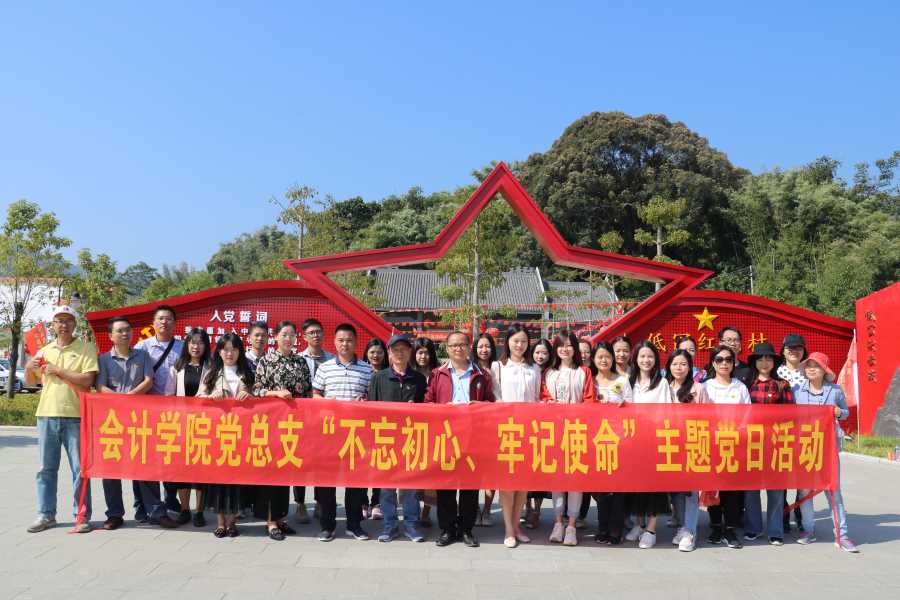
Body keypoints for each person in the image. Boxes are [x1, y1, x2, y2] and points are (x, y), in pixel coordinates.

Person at [25, 306, 98, 534]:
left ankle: (81, 516)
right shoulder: (44, 350)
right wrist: (28, 367)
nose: (64, 325)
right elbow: (31, 383)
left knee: (80, 469)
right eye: (59, 321)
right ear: (53, 325)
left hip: (76, 416)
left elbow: (87, 380)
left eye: (68, 320)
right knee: (45, 469)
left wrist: (58, 370)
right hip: (47, 414)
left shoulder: (86, 348)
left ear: (75, 324)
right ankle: (45, 515)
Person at [425, 330, 494, 548]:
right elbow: (427, 403)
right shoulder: (438, 374)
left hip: (472, 437)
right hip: (446, 436)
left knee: (470, 486)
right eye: (453, 345)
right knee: (445, 485)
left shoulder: (481, 375)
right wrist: (441, 409)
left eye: (462, 344)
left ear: (469, 346)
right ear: (447, 348)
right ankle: (447, 529)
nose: (458, 349)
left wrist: (480, 406)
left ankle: (466, 529)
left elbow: (491, 404)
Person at [312, 323, 374, 541]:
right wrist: (326, 402)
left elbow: (372, 398)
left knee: (355, 482)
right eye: (341, 340)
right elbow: (315, 395)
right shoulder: (325, 368)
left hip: (356, 434)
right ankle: (327, 526)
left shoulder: (367, 369)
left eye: (349, 340)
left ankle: (354, 525)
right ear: (334, 342)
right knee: (326, 481)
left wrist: (365, 401)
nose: (345, 344)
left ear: (356, 343)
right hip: (329, 433)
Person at [253, 320, 312, 540]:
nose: (288, 339)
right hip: (271, 424)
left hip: (294, 425)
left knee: (287, 470)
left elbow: (307, 393)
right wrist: (276, 393)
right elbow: (256, 391)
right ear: (276, 337)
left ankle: (280, 517)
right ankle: (270, 521)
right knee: (271, 472)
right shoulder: (266, 360)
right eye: (284, 334)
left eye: (292, 335)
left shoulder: (301, 362)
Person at [794, 352, 858, 553]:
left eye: (816, 366)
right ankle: (808, 530)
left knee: (833, 491)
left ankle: (842, 535)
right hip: (805, 446)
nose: (812, 369)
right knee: (805, 491)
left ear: (824, 370)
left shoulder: (835, 391)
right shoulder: (797, 391)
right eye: (809, 365)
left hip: (828, 448)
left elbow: (845, 412)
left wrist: (840, 412)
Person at [95, 316, 154, 530]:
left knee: (143, 464)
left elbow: (148, 380)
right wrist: (120, 400)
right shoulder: (103, 359)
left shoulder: (142, 355)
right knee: (111, 467)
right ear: (111, 336)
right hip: (113, 421)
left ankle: (152, 510)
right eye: (120, 331)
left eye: (128, 330)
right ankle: (114, 514)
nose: (125, 333)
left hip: (139, 419)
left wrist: (131, 397)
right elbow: (100, 386)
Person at [367, 334, 428, 542]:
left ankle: (411, 524)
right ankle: (389, 525)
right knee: (386, 487)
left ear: (410, 352)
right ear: (389, 353)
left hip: (411, 439)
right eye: (395, 350)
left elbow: (427, 410)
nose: (399, 353)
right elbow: (371, 410)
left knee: (410, 486)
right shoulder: (379, 378)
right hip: (386, 439)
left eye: (403, 349)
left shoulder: (419, 379)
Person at [541, 330, 596, 546]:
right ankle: (558, 522)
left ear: (575, 348)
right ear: (555, 348)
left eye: (569, 345)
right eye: (561, 345)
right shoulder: (549, 372)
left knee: (575, 479)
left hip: (577, 431)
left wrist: (576, 413)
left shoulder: (584, 371)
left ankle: (572, 524)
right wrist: (550, 404)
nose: (565, 349)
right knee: (557, 479)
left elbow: (590, 400)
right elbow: (543, 397)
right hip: (554, 432)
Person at [197, 333, 254, 538]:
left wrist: (250, 396)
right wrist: (210, 396)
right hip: (218, 434)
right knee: (218, 479)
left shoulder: (248, 372)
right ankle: (220, 522)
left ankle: (232, 522)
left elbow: (261, 398)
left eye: (234, 349)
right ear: (219, 352)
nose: (229, 353)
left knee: (236, 479)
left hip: (241, 434)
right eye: (225, 349)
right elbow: (198, 398)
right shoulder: (211, 373)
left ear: (240, 351)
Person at [491, 323, 541, 548]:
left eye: (523, 341)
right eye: (515, 341)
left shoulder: (534, 368)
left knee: (523, 483)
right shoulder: (498, 367)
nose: (519, 345)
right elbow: (495, 396)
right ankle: (509, 529)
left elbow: (536, 397)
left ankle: (517, 526)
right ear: (507, 342)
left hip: (529, 430)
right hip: (507, 430)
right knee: (507, 483)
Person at [133, 305, 184, 519]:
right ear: (153, 323)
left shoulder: (182, 347)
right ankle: (140, 505)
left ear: (174, 323)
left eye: (169, 318)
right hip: (147, 412)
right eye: (160, 318)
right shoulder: (142, 347)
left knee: (171, 456)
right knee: (143, 458)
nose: (164, 322)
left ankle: (171, 497)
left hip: (174, 412)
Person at [624, 341, 674, 549]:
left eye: (650, 356)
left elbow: (667, 412)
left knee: (655, 486)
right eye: (642, 356)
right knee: (636, 486)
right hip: (634, 441)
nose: (646, 360)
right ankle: (639, 523)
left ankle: (651, 529)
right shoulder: (628, 381)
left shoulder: (662, 383)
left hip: (655, 440)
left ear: (655, 360)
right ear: (636, 359)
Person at [743, 342, 793, 546]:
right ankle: (753, 528)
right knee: (751, 490)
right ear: (754, 362)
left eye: (768, 359)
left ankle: (775, 531)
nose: (764, 363)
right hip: (751, 444)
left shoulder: (782, 385)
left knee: (776, 490)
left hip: (776, 444)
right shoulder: (747, 384)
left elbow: (791, 415)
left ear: (774, 362)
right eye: (760, 359)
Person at [703, 344, 750, 549]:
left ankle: (730, 530)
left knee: (731, 489)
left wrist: (738, 434)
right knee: (712, 488)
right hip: (711, 444)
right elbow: (700, 415)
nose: (724, 363)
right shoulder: (706, 386)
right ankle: (715, 527)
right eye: (719, 360)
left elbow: (748, 415)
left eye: (728, 360)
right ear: (713, 363)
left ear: (733, 363)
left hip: (734, 444)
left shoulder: (740, 387)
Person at [165, 327, 210, 527]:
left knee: (201, 470)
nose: (196, 346)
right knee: (181, 469)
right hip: (181, 424)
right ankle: (185, 509)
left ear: (206, 345)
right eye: (192, 342)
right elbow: (169, 395)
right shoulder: (178, 366)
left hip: (204, 425)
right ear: (187, 344)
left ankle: (199, 511)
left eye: (200, 342)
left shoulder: (211, 367)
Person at [665, 349, 709, 552]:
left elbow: (708, 417)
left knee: (691, 491)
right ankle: (683, 527)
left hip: (692, 443)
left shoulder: (698, 388)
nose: (679, 368)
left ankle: (690, 532)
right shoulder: (664, 387)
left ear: (690, 367)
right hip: (669, 444)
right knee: (676, 491)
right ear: (669, 366)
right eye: (675, 364)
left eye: (683, 364)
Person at [293, 318, 334, 525]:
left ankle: (319, 501)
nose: (316, 335)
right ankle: (300, 503)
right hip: (302, 418)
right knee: (298, 461)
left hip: (325, 419)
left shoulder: (332, 359)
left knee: (321, 461)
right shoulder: (297, 359)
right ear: (304, 336)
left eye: (318, 331)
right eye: (311, 332)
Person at [590, 341, 632, 545]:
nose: (604, 360)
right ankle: (602, 526)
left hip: (619, 440)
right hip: (595, 440)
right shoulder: (590, 381)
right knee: (600, 486)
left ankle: (616, 529)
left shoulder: (622, 380)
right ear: (593, 359)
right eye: (600, 357)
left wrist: (624, 406)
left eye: (607, 356)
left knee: (618, 486)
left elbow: (633, 407)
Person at [777, 333, 808, 531]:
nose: (794, 351)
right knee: (781, 476)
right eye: (790, 348)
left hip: (805, 431)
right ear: (783, 351)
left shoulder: (811, 371)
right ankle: (783, 513)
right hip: (781, 432)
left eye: (798, 348)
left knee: (803, 476)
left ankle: (800, 512)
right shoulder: (776, 372)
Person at [523, 338, 553, 530]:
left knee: (542, 469)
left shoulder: (552, 372)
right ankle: (526, 507)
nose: (540, 356)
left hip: (547, 427)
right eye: (537, 352)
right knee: (526, 469)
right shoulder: (528, 369)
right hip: (527, 426)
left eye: (544, 353)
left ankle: (537, 509)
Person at [411, 336, 439, 528]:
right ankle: (412, 510)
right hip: (412, 429)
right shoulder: (409, 373)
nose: (423, 356)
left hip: (434, 429)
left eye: (427, 353)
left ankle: (426, 512)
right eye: (420, 352)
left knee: (432, 473)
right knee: (414, 472)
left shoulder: (438, 374)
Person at [473, 333, 499, 528]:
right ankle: (474, 508)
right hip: (474, 425)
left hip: (495, 424)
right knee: (473, 469)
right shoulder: (470, 368)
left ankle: (487, 509)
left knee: (491, 471)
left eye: (487, 346)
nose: (484, 350)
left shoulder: (499, 368)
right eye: (481, 346)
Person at [363, 338, 388, 520]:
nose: (376, 355)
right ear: (366, 353)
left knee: (381, 464)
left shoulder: (389, 373)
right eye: (372, 352)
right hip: (363, 425)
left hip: (383, 425)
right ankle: (362, 502)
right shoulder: (361, 370)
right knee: (363, 464)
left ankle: (377, 503)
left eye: (379, 352)